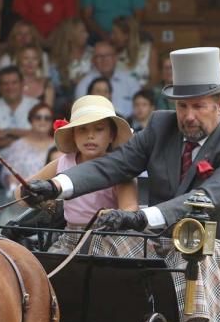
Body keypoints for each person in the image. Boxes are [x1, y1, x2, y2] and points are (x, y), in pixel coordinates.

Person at [21, 48, 220, 322]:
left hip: (219, 247)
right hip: (159, 241)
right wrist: (55, 186)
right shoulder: (161, 126)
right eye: (182, 106)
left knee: (193, 254)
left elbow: (203, 197)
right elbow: (115, 164)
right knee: (105, 243)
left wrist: (139, 217)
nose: (189, 115)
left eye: (199, 106)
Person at [28, 94, 139, 258]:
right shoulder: (62, 163)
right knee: (48, 272)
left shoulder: (120, 168)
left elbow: (130, 208)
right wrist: (32, 194)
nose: (90, 136)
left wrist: (115, 216)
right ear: (73, 134)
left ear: (111, 136)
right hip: (70, 239)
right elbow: (22, 191)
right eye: (82, 129)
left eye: (99, 129)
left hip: (111, 237)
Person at [0, 101, 56, 193]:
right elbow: (10, 176)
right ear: (31, 120)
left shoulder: (59, 145)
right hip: (24, 197)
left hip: (53, 197)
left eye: (47, 118)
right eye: (38, 117)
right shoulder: (17, 146)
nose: (43, 121)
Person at [74, 41, 140, 117]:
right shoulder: (84, 84)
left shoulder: (131, 81)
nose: (104, 59)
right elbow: (80, 115)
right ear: (93, 60)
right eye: (99, 56)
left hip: (129, 125)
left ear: (115, 58)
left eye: (108, 55)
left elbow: (142, 109)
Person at [0, 66, 40, 150]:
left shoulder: (36, 105)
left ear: (22, 84)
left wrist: (8, 131)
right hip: (1, 160)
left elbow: (40, 135)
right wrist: (26, 135)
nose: (10, 87)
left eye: (14, 83)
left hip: (33, 158)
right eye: (5, 83)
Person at [50, 18, 94, 95]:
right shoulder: (57, 59)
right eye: (82, 32)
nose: (87, 35)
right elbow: (55, 89)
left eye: (86, 31)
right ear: (70, 36)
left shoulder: (94, 53)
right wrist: (72, 83)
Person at [110, 15, 155, 85]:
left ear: (126, 35)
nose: (111, 37)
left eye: (115, 33)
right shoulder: (114, 54)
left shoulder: (148, 51)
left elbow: (154, 79)